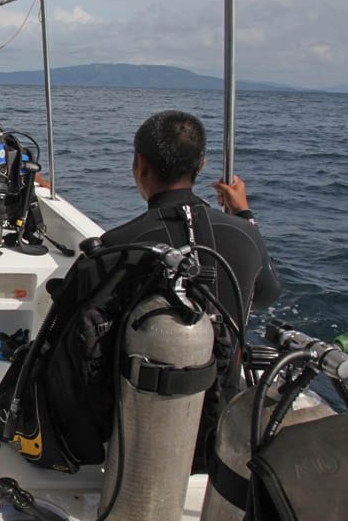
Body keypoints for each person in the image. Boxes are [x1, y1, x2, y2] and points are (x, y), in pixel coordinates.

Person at [100, 109, 280, 470]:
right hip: (223, 418)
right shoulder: (244, 234)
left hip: (140, 419)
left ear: (140, 165)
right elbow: (266, 295)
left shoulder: (118, 244)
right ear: (202, 165)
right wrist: (244, 216)